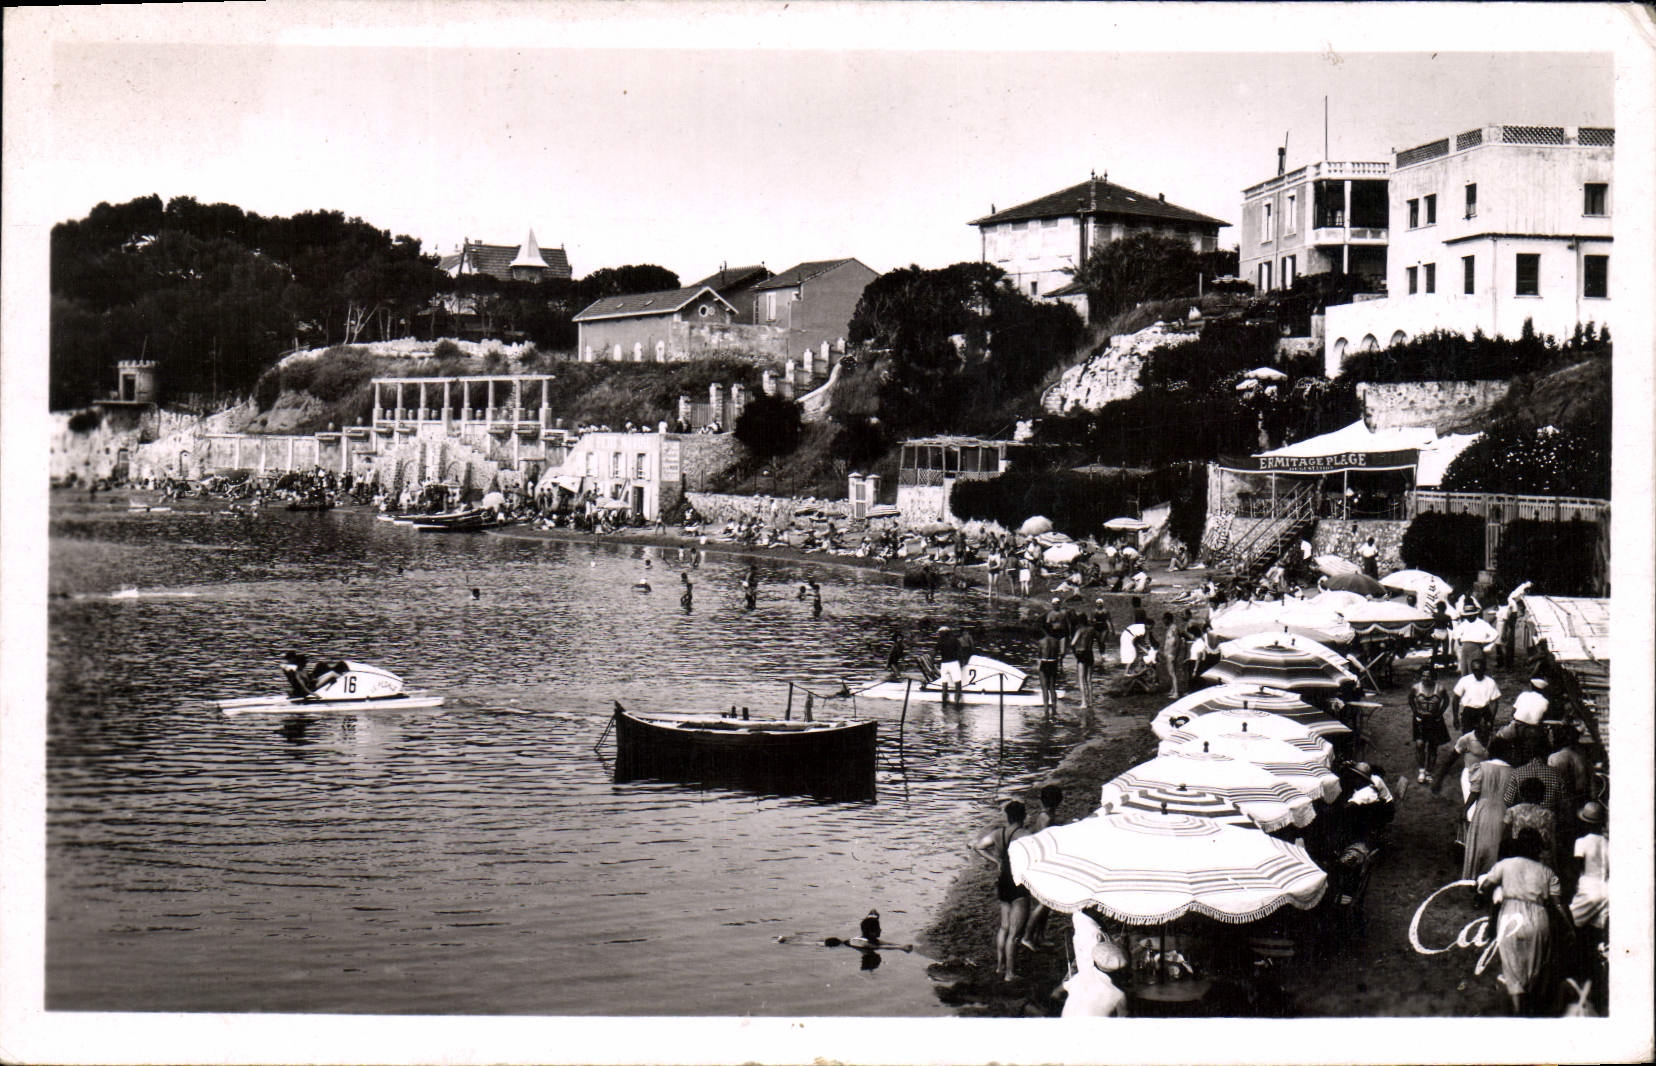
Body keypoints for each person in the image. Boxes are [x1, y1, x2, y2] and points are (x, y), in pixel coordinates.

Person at [1476, 827, 1566, 1015]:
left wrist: (1482, 890)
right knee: (1534, 967)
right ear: (1538, 848)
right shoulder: (1548, 872)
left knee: (1511, 966)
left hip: (1511, 916)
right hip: (1539, 917)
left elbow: (1486, 885)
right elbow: (1558, 905)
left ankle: (1518, 1009)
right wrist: (1569, 926)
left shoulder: (1506, 864)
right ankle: (1532, 1005)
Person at [971, 801, 1033, 982]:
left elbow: (979, 846)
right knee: (1015, 933)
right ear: (1023, 816)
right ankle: (1010, 973)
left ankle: (1000, 967)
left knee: (1004, 927)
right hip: (1018, 881)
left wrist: (996, 861)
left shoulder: (999, 833)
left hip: (1003, 880)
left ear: (1007, 817)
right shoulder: (1025, 835)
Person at [1463, 735, 1515, 881]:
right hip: (1502, 811)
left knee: (1478, 846)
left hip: (1483, 810)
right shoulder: (1512, 772)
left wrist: (1465, 809)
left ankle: (1473, 879)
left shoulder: (1482, 767)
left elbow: (1475, 792)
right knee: (1496, 848)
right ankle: (1489, 882)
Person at [1020, 786, 1065, 950]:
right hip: (1043, 860)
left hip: (1042, 858)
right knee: (1044, 902)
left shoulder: (1046, 815)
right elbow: (1046, 839)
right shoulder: (1046, 817)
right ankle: (1028, 936)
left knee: (1047, 902)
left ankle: (1040, 935)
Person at [1503, 776, 1559, 874]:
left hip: (1518, 854)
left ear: (1522, 793)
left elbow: (1506, 835)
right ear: (1542, 795)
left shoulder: (1513, 811)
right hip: (1541, 857)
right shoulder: (1548, 814)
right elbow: (1552, 841)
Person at [1409, 667, 1451, 786]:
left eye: (1428, 676)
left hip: (1435, 720)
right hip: (1420, 719)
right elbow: (1410, 699)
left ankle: (1429, 772)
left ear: (1433, 677)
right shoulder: (1416, 688)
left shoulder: (1440, 688)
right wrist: (1415, 712)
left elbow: (1447, 700)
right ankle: (1421, 771)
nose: (1425, 678)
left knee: (1433, 746)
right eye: (1423, 676)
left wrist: (1440, 712)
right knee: (1420, 744)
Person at [1451, 658, 1501, 733]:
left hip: (1484, 711)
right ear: (1472, 670)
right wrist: (1455, 718)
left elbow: (1494, 702)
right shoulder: (1465, 680)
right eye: (1475, 670)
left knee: (1485, 736)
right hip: (1469, 711)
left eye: (1480, 670)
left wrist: (1491, 719)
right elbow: (1456, 699)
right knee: (1468, 736)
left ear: (1484, 669)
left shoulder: (1490, 682)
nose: (1477, 672)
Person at [1070, 607, 1100, 708]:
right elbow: (1099, 639)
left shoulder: (1080, 630)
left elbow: (1073, 643)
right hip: (1090, 653)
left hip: (1081, 654)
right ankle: (1091, 701)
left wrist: (1075, 652)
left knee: (1081, 679)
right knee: (1089, 680)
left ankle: (1084, 702)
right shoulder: (1092, 630)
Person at [1159, 611, 1188, 697]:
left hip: (1171, 653)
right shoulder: (1172, 628)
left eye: (1164, 619)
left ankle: (1176, 692)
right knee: (1171, 671)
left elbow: (1175, 641)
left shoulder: (1173, 629)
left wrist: (1173, 652)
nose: (1163, 621)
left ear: (1167, 619)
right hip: (1170, 652)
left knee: (1172, 672)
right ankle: (1173, 689)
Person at [1036, 629, 1064, 715]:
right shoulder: (1056, 641)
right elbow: (1059, 654)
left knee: (1044, 688)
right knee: (1052, 688)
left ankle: (1046, 709)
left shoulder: (1041, 641)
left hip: (1044, 662)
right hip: (1053, 663)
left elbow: (1039, 655)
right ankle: (1054, 708)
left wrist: (1038, 667)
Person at [936, 626, 964, 706]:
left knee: (944, 684)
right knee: (958, 684)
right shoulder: (955, 640)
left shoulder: (940, 641)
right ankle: (957, 703)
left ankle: (944, 703)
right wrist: (962, 662)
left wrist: (932, 662)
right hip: (954, 663)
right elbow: (960, 652)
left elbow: (934, 653)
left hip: (944, 664)